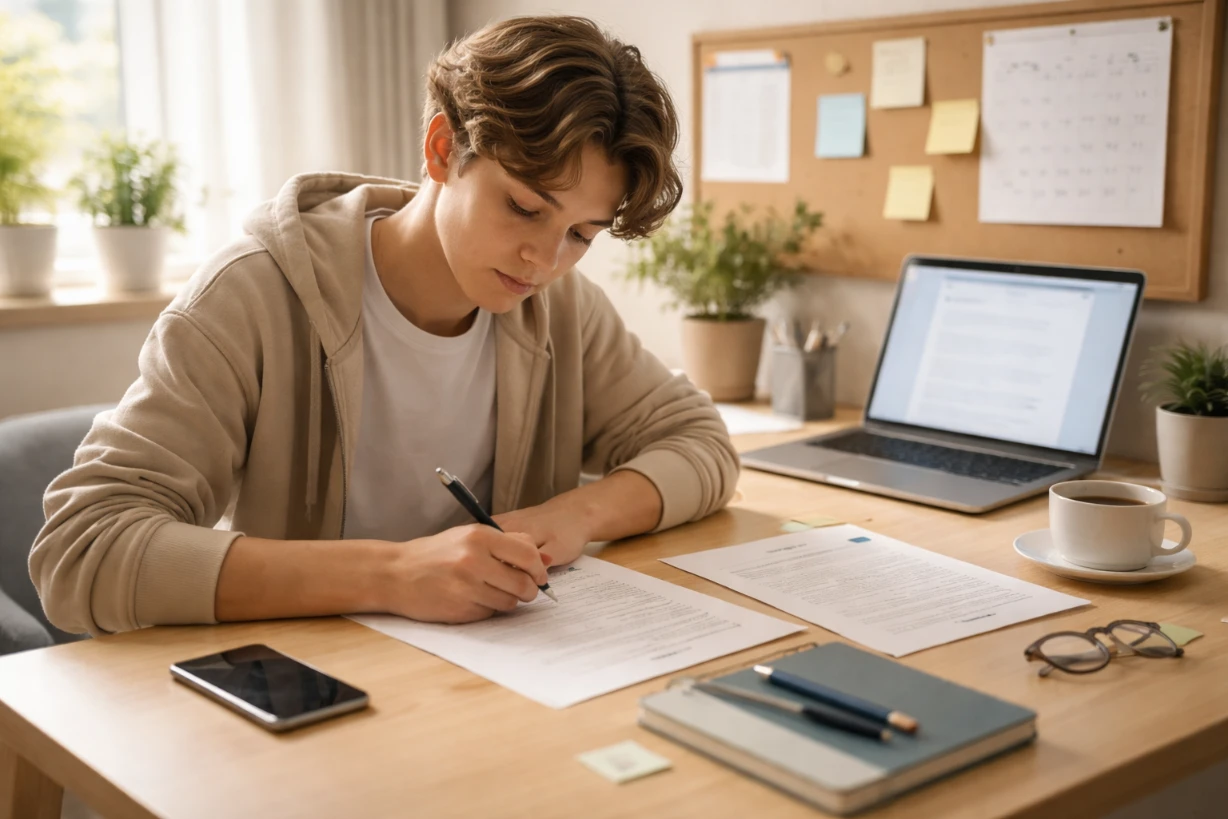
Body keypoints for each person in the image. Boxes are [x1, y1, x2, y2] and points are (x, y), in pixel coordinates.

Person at [30, 16, 738, 635]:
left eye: (581, 233)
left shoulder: (559, 307)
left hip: (480, 687)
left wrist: (579, 515)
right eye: (524, 207)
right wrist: (392, 573)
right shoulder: (250, 296)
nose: (545, 260)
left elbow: (700, 442)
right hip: (303, 693)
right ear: (440, 150)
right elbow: (80, 548)